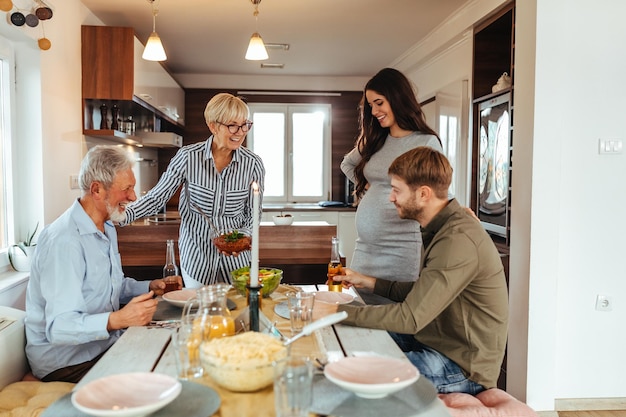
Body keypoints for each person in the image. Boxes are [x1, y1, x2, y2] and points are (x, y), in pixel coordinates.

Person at [319, 147, 509, 394]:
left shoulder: (456, 240)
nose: (391, 198)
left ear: (423, 194)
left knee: (353, 376)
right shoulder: (440, 227)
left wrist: (332, 311)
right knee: (350, 340)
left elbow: (410, 318)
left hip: (461, 364)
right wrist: (369, 282)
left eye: (396, 190)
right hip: (434, 339)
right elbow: (423, 293)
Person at [24, 146, 181, 383]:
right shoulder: (64, 241)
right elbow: (59, 327)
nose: (133, 197)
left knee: (176, 354)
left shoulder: (106, 226)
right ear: (97, 189)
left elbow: (109, 284)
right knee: (161, 379)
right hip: (67, 363)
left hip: (102, 346)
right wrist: (118, 319)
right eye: (126, 188)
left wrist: (151, 286)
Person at [120, 93, 265, 287]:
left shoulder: (253, 164)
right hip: (198, 263)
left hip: (237, 266)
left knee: (237, 315)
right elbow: (157, 197)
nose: (240, 132)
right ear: (213, 125)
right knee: (199, 315)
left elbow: (254, 214)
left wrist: (243, 238)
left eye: (245, 125)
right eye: (232, 125)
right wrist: (121, 216)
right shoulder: (187, 157)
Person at [341, 67, 443, 283]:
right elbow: (347, 164)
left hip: (401, 248)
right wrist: (370, 189)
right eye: (370, 106)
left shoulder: (425, 142)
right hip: (365, 250)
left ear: (397, 98)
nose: (375, 111)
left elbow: (437, 192)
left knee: (394, 311)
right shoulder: (374, 140)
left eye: (379, 103)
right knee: (359, 309)